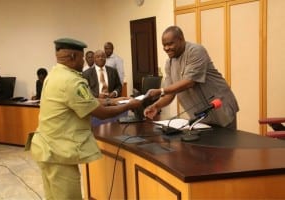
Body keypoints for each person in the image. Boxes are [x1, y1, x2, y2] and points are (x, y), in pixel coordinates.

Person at [29, 38, 141, 199]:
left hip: (46, 148)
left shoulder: (55, 74)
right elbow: (100, 112)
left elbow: (83, 100)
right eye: (82, 58)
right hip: (59, 153)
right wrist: (129, 105)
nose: (84, 61)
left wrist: (113, 100)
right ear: (74, 56)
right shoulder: (72, 81)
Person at [144, 26, 239, 130]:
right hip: (200, 117)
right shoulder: (169, 63)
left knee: (225, 144)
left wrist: (160, 90)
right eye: (164, 45)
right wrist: (156, 106)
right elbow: (169, 93)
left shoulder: (195, 51)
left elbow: (190, 82)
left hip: (220, 108)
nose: (167, 48)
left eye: (170, 44)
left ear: (181, 39)